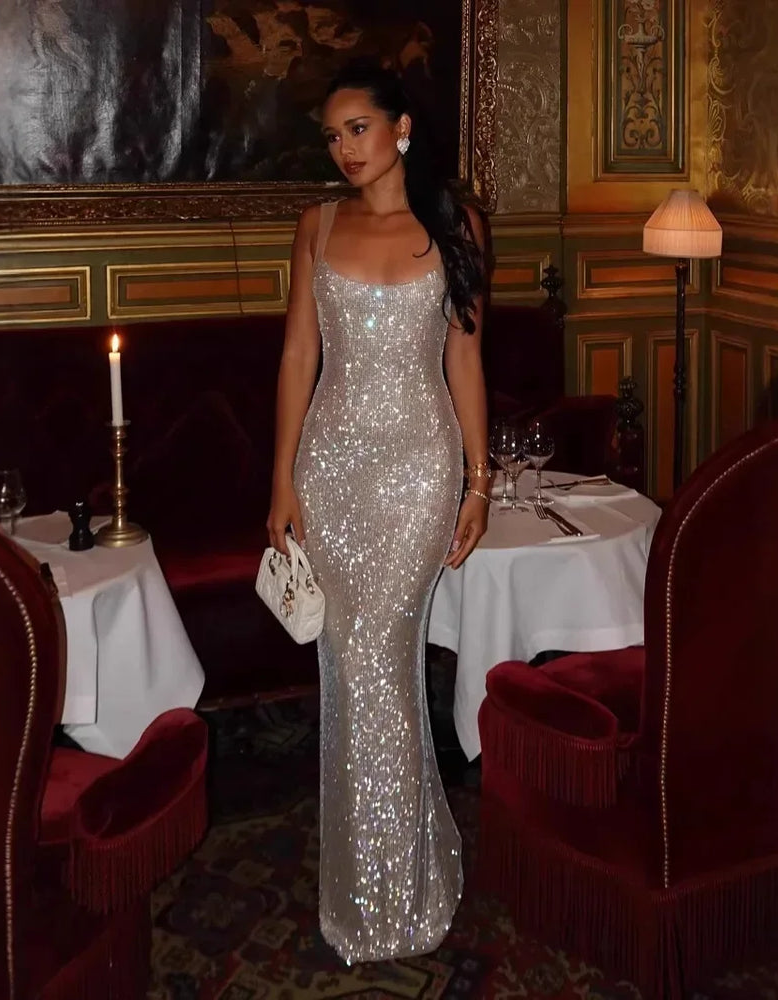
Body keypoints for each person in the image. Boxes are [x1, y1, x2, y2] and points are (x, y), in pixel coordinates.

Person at [266, 61, 491, 965]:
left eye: (357, 128)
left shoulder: (456, 227)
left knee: (379, 661)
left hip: (419, 471)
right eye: (332, 136)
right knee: (349, 668)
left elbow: (465, 360)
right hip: (330, 471)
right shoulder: (317, 225)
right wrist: (281, 481)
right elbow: (297, 357)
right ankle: (381, 874)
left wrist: (479, 482)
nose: (344, 149)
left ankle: (397, 890)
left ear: (401, 127)